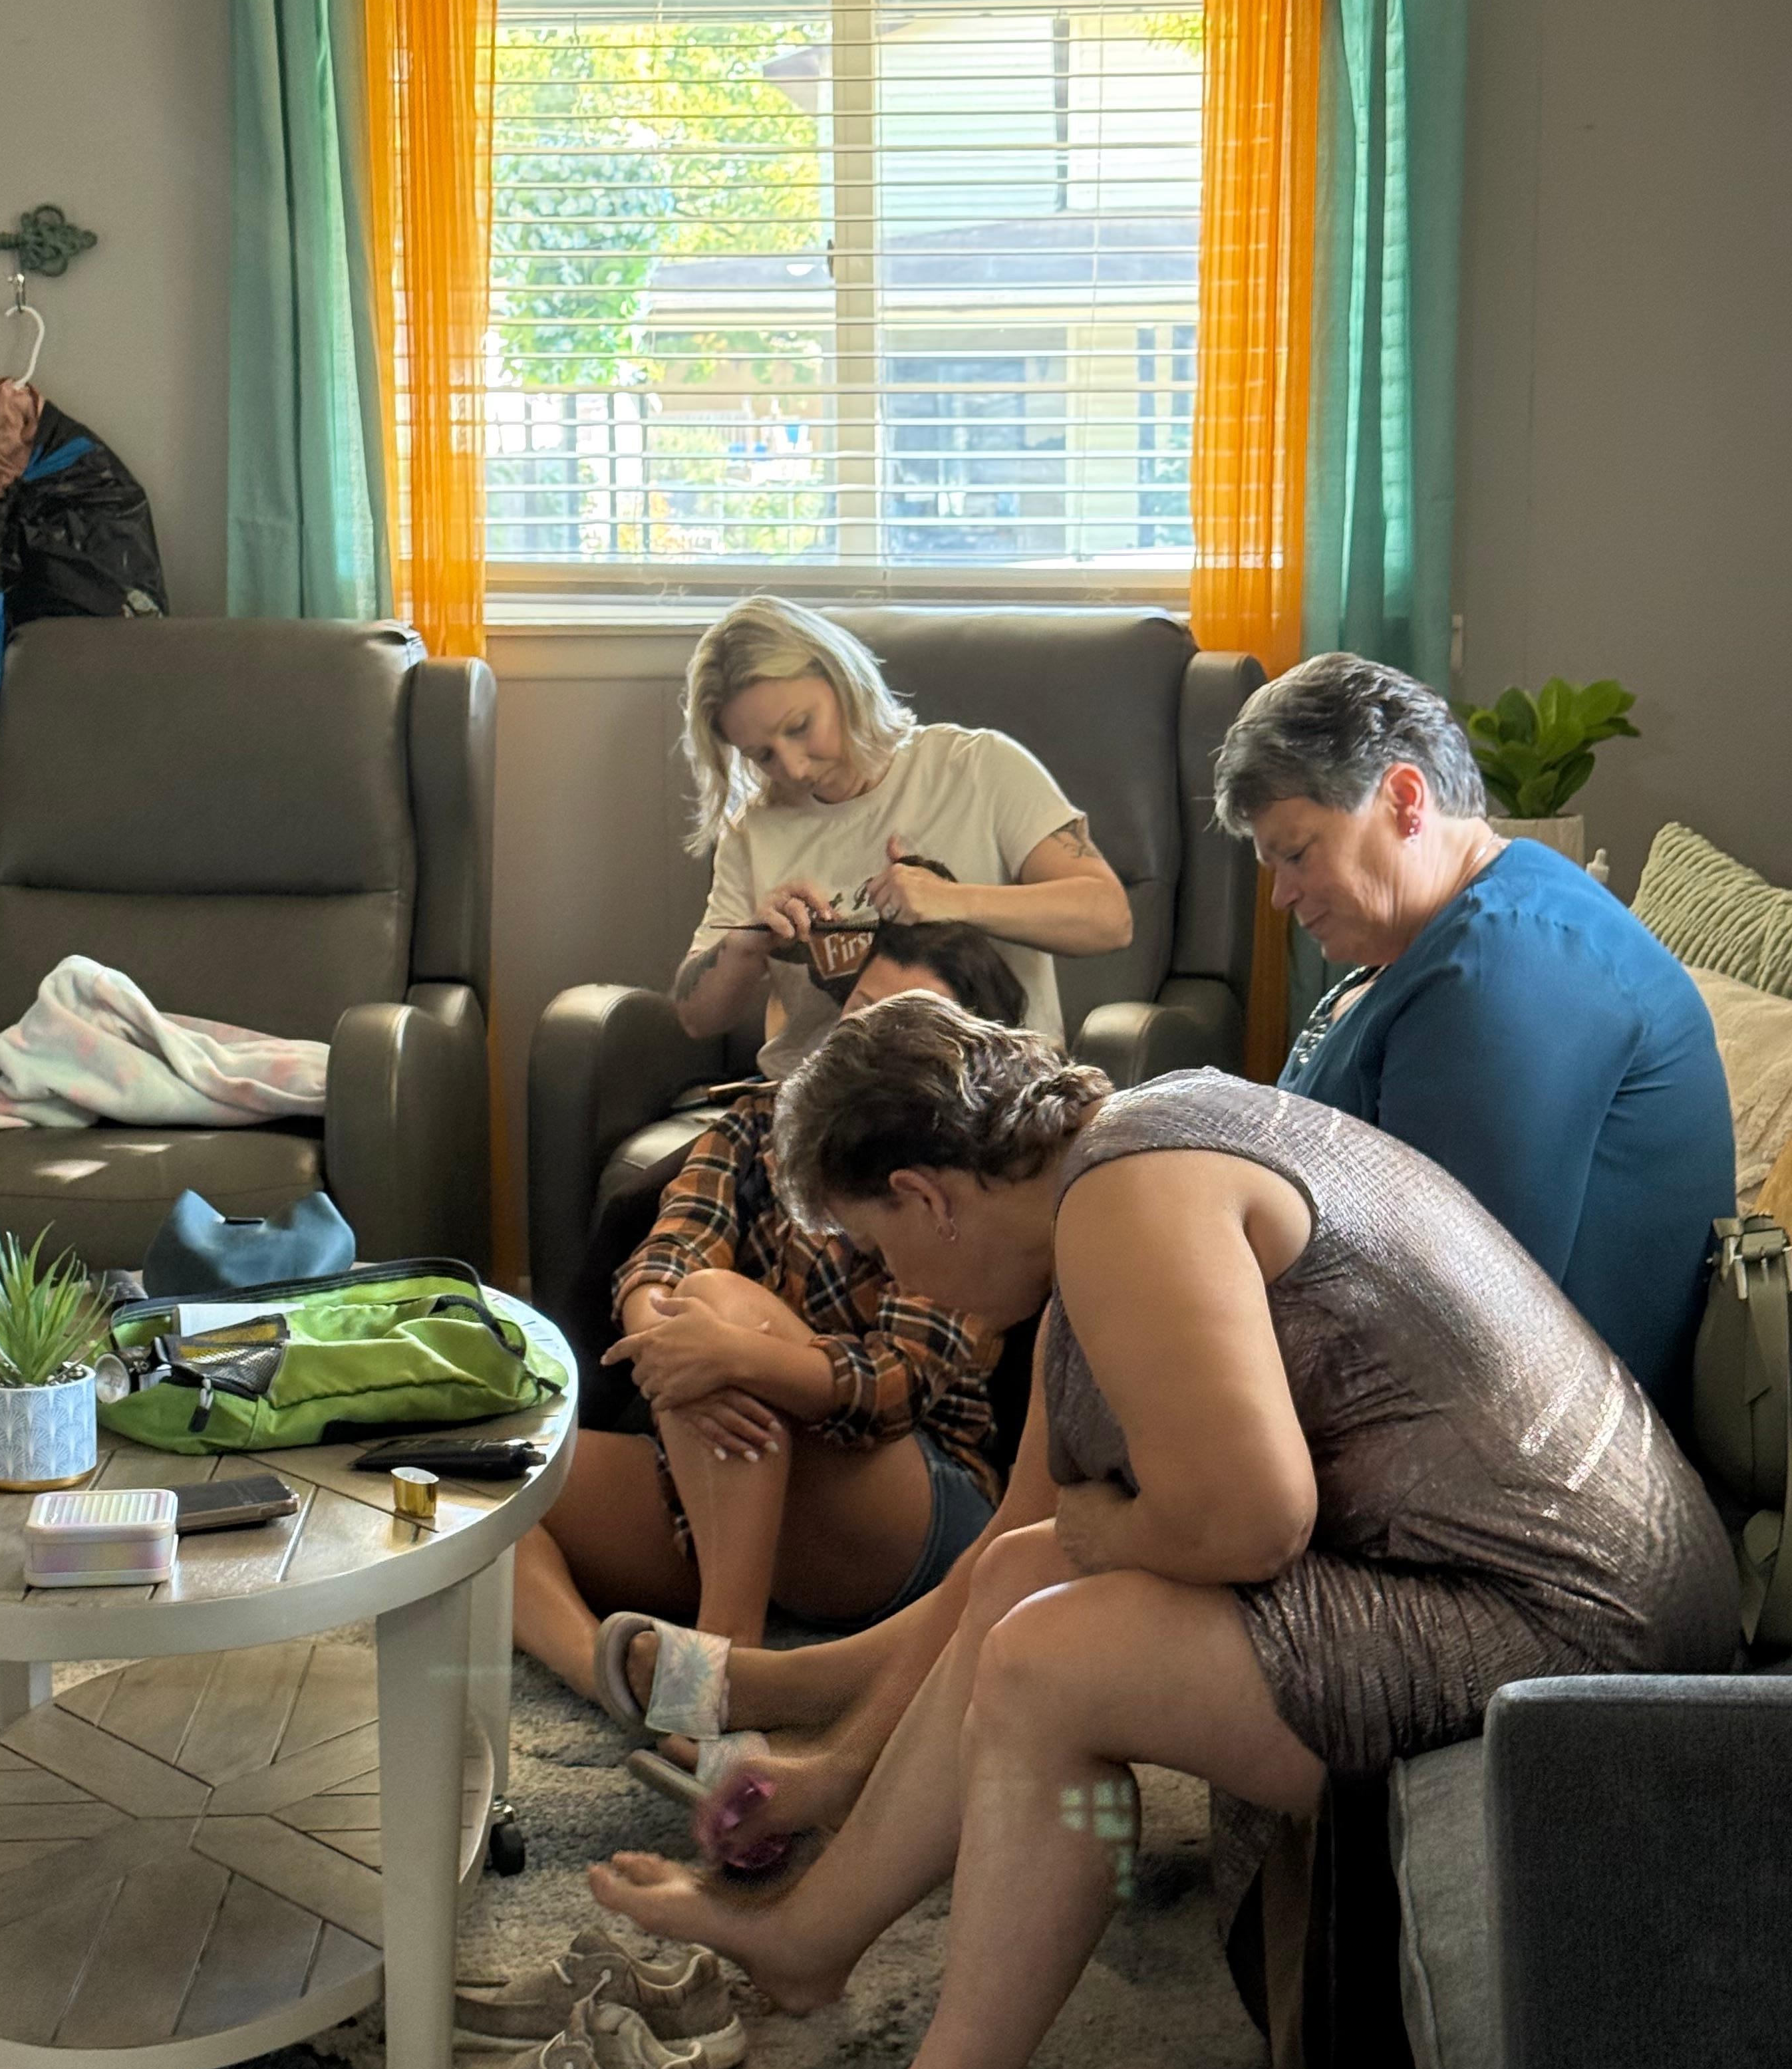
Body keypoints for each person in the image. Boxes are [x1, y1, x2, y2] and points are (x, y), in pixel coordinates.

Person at [588, 997, 1740, 2069]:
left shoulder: (1126, 1205)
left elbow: (1250, 1520)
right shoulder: (1120, 1154)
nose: (890, 1281)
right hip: (1551, 1586)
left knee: (1053, 1665)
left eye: (877, 1248)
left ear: (925, 1195)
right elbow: (1005, 1558)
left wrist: (1099, 1543)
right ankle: (811, 1940)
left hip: (1576, 1645)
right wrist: (832, 1774)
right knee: (1026, 1591)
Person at [512, 923, 1029, 1712]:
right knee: (489, 1496)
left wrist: (733, 1356)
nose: (861, 1041)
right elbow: (663, 1258)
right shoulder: (763, 1121)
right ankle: (610, 1680)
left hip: (904, 1500)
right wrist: (677, 1338)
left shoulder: (962, 1174)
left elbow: (900, 1383)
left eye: (898, 1024)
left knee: (722, 1306)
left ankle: (719, 1664)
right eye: (858, 1011)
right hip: (735, 1478)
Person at [1212, 652, 1733, 1425]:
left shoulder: (1506, 963)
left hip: (1528, 1480)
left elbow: (1447, 1317)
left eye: (1296, 852)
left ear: (1404, 799)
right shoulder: (1442, 943)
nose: (1282, 894)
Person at [667, 595, 1132, 1078]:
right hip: (818, 1107)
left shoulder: (980, 768)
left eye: (801, 727)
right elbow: (696, 1019)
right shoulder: (753, 831)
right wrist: (749, 943)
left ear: (843, 681)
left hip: (990, 1092)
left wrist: (951, 901)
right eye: (763, 755)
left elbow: (1109, 918)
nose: (794, 767)